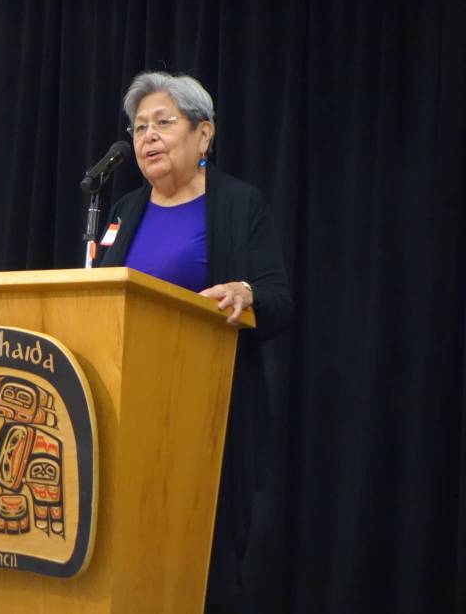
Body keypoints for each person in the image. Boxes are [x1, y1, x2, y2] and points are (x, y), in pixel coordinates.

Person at [99, 71, 294, 612]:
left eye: (164, 122)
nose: (147, 137)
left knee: (206, 568)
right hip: (128, 414)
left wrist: (245, 289)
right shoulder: (123, 212)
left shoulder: (238, 204)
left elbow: (279, 300)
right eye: (139, 128)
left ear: (204, 135)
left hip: (209, 417)